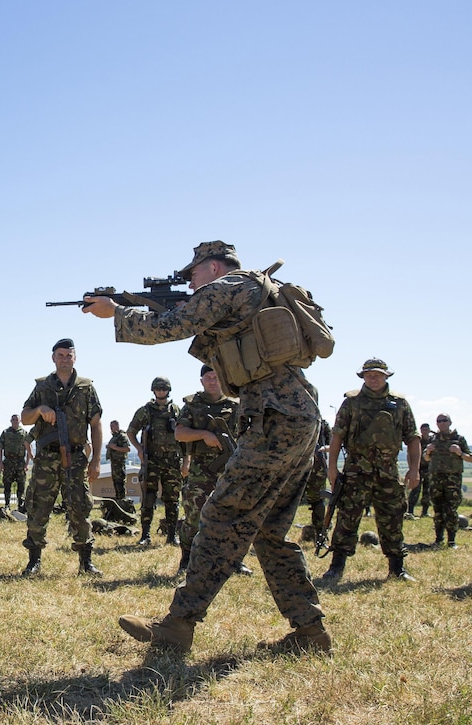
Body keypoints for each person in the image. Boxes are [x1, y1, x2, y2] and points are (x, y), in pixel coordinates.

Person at [85, 240, 328, 654]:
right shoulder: (253, 290)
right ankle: (309, 633)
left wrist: (118, 313)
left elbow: (169, 328)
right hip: (295, 416)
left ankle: (177, 626)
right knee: (268, 531)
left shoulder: (229, 286)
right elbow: (196, 324)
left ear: (212, 268)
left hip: (274, 419)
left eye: (193, 275)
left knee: (220, 517)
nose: (190, 282)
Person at [321, 358, 420, 583]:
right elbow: (337, 435)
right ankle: (336, 566)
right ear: (363, 377)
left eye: (377, 374)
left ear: (386, 376)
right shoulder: (351, 402)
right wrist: (332, 467)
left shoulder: (400, 403)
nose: (372, 378)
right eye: (368, 374)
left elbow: (413, 438)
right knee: (347, 517)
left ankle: (397, 568)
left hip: (387, 472)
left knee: (392, 519)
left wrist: (414, 469)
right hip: (356, 470)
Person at [20, 338, 103, 576]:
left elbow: (96, 425)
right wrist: (40, 410)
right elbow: (25, 417)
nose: (65, 359)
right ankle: (34, 561)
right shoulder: (43, 386)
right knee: (38, 508)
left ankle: (86, 562)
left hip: (76, 458)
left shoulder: (86, 388)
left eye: (69, 355)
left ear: (75, 358)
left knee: (80, 508)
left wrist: (96, 459)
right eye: (60, 355)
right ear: (53, 358)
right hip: (46, 458)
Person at [173, 365, 241, 575]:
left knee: (234, 515)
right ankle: (186, 558)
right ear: (201, 381)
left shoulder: (236, 404)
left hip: (232, 468)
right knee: (194, 515)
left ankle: (235, 561)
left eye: (216, 377)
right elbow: (180, 433)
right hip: (202, 470)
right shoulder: (193, 404)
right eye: (208, 378)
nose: (212, 381)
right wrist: (204, 435)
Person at [127, 377, 183, 546]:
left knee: (172, 498)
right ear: (153, 390)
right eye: (158, 389)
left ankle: (172, 535)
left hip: (172, 461)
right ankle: (145, 535)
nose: (161, 391)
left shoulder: (176, 410)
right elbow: (131, 431)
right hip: (151, 460)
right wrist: (139, 448)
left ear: (168, 390)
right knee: (148, 498)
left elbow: (184, 434)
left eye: (163, 388)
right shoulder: (146, 411)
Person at [425, 414, 472, 548]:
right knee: (437, 509)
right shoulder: (434, 439)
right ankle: (438, 539)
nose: (442, 423)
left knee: (451, 510)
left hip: (453, 479)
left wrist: (460, 453)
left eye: (444, 420)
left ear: (450, 422)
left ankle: (452, 541)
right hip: (436, 478)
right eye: (439, 421)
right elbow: (426, 459)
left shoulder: (459, 439)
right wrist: (428, 452)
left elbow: (470, 458)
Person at [302, 419, 332, 538]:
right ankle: (320, 534)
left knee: (285, 499)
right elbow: (328, 442)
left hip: (294, 461)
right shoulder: (321, 422)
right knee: (317, 500)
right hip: (317, 462)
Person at [0, 414, 32, 511]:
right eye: (13, 420)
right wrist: (0, 462)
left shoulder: (24, 433)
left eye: (16, 420)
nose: (15, 421)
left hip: (20, 461)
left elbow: (29, 448)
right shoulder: (5, 433)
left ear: (20, 421)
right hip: (8, 461)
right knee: (7, 484)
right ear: (10, 421)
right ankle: (7, 505)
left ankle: (20, 505)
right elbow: (0, 448)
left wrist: (27, 463)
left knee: (21, 484)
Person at [407, 423, 433, 517]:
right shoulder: (418, 441)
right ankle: (410, 511)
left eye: (426, 429)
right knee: (415, 490)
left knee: (427, 491)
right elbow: (410, 454)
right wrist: (411, 468)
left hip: (430, 469)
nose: (425, 431)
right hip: (419, 468)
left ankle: (425, 512)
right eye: (423, 430)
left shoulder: (433, 440)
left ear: (429, 430)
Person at [105, 420, 131, 501]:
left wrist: (114, 447)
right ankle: (118, 499)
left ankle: (122, 500)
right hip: (114, 463)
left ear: (117, 426)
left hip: (119, 463)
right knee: (116, 482)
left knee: (120, 482)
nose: (111, 428)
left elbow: (127, 448)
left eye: (112, 426)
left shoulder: (122, 436)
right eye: (110, 427)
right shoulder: (115, 437)